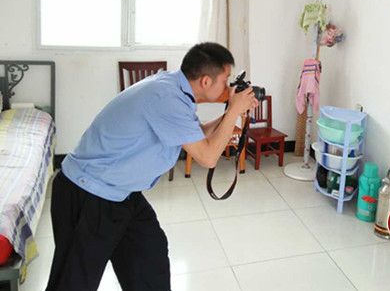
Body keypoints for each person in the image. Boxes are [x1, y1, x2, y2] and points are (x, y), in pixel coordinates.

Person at [45, 42, 258, 291]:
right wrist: (233, 111)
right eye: (225, 80)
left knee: (149, 258)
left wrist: (230, 114)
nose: (228, 87)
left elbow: (195, 134)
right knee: (73, 282)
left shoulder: (175, 90)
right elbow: (208, 157)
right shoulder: (165, 97)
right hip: (88, 193)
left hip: (122, 192)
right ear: (205, 81)